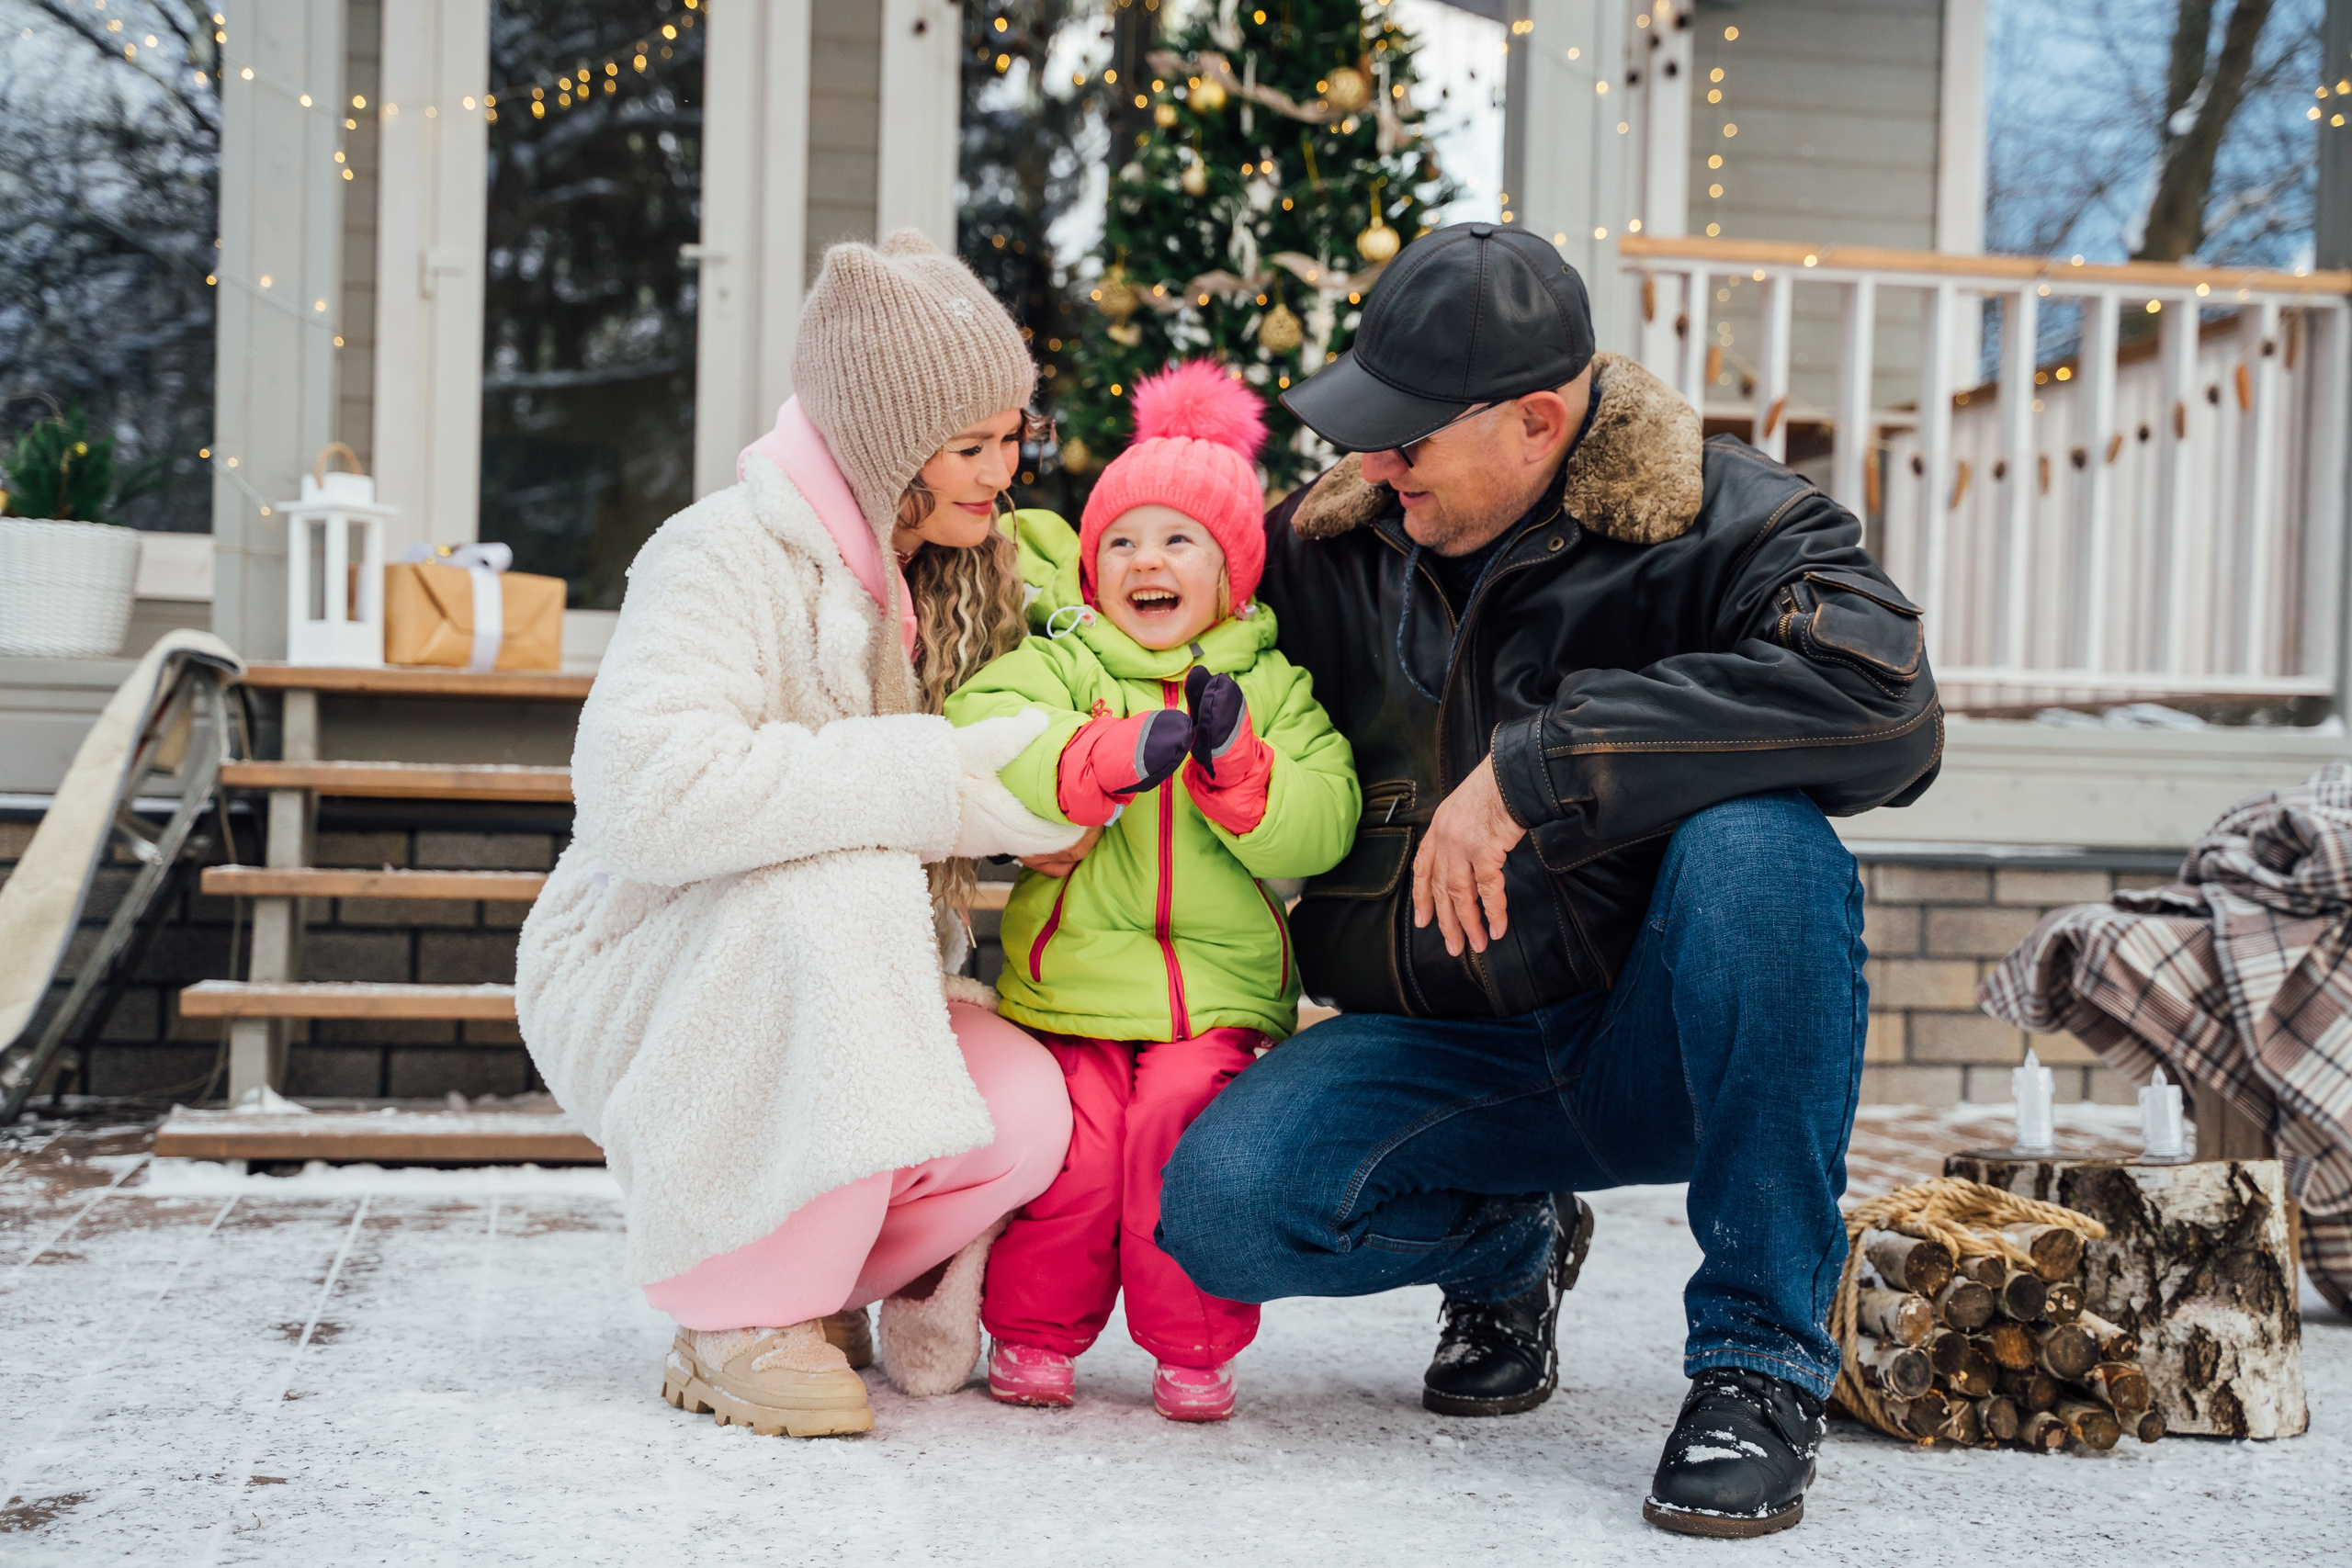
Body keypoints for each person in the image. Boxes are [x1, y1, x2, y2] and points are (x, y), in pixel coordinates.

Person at [1154, 223, 1942, 1537]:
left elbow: (1889, 704)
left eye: (1409, 433)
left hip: (1660, 1041)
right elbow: (1132, 598)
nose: (1374, 460)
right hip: (1440, 1049)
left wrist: (1545, 764)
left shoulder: (1723, 517)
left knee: (1763, 840)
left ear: (1534, 419)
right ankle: (1512, 1246)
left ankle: (1759, 1363)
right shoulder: (1326, 544)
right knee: (1223, 1205)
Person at [516, 231, 1084, 1441]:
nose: (1006, 470)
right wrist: (931, 782)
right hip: (646, 950)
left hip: (819, 955)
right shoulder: (722, 550)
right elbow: (644, 789)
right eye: (974, 444)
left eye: (1011, 437)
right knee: (844, 888)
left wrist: (1042, 806)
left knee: (1023, 1104)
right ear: (888, 443)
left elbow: (944, 782)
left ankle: (817, 1286)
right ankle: (736, 1319)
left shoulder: (935, 578)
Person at [944, 360, 1359, 1421]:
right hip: (1074, 986)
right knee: (1077, 1159)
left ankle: (1195, 1346)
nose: (1146, 561)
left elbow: (1329, 810)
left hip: (1214, 995)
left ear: (1232, 574)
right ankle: (1034, 1337)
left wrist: (1241, 773)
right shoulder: (1068, 662)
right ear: (1092, 569)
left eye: (1179, 541)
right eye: (1121, 541)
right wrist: (1092, 759)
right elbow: (987, 730)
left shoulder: (1270, 686)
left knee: (1179, 1137)